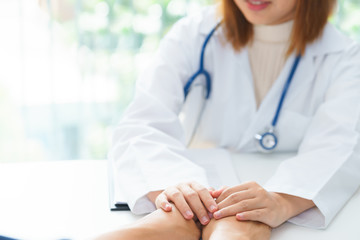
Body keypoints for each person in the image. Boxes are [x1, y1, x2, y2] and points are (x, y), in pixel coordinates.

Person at [99, 0, 360, 239]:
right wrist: (180, 193)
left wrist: (281, 201)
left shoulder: (346, 57)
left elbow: (341, 144)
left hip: (265, 200)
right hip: (191, 188)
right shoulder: (192, 35)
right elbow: (141, 124)